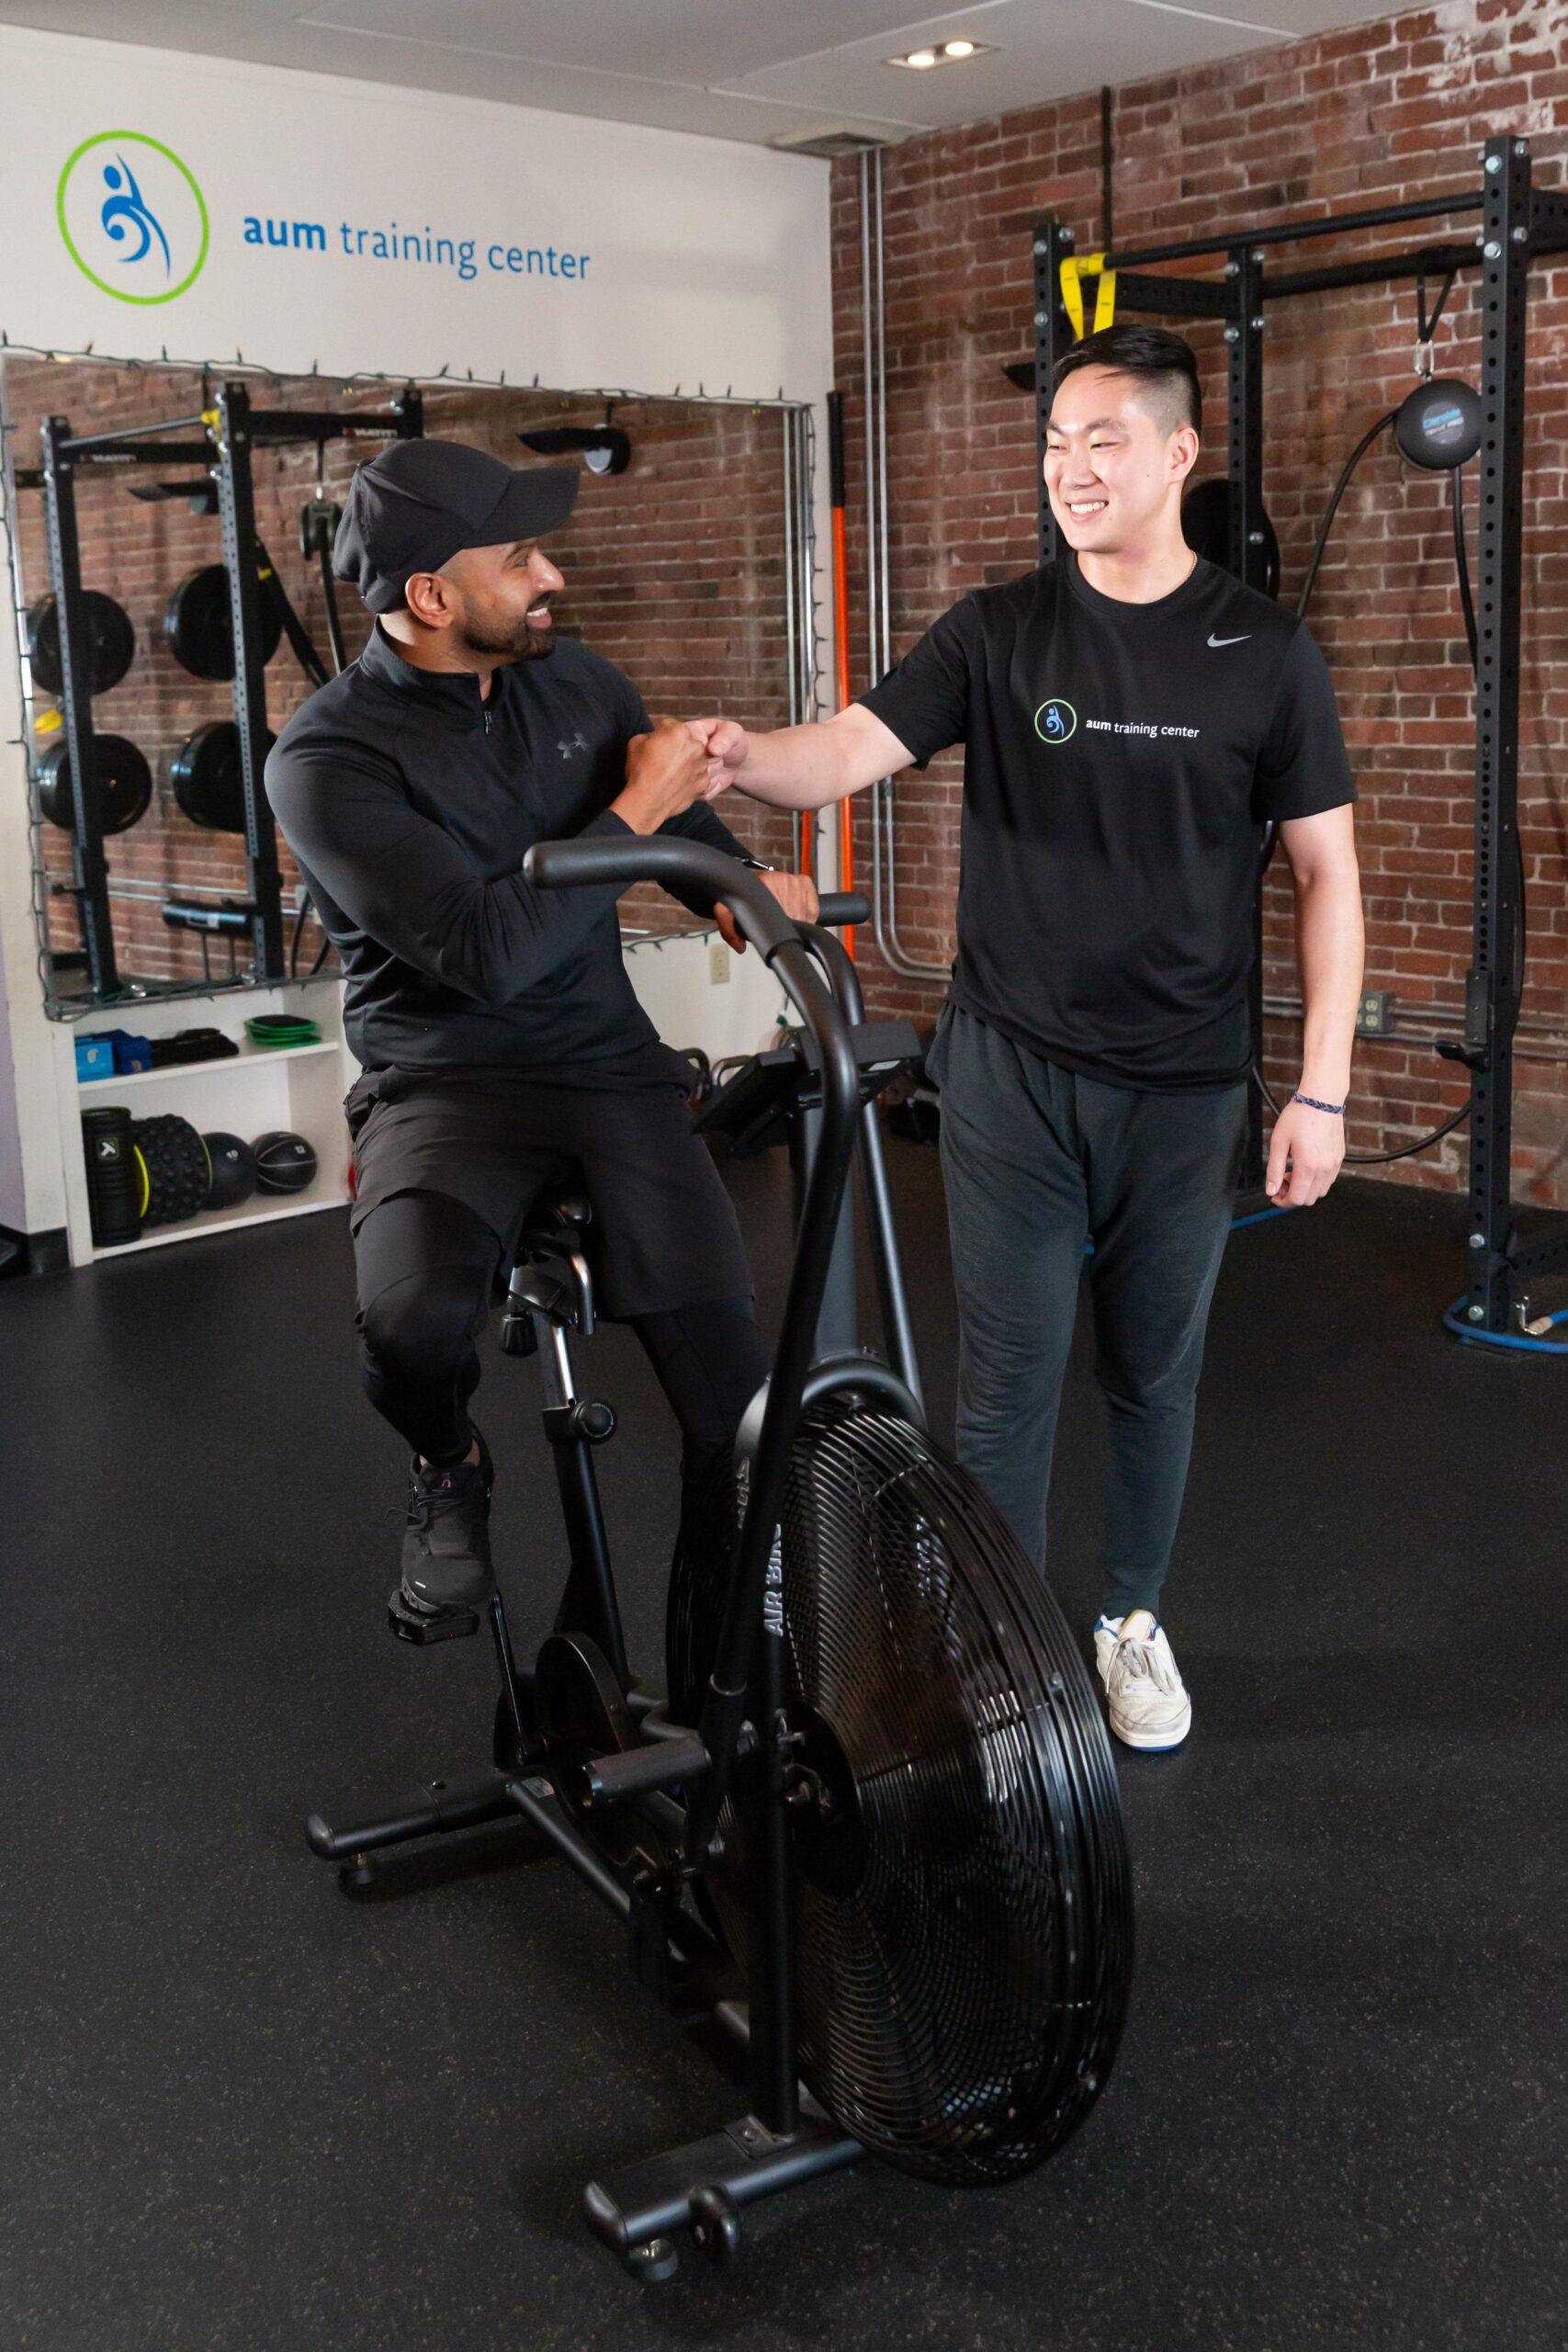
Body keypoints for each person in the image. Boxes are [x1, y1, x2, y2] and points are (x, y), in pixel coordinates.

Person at [690, 323, 1363, 1751]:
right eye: (1053, 444)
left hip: (1181, 1090)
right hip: (1008, 1070)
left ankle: (1124, 1619)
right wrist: (745, 758)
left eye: (1100, 439)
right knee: (1005, 1375)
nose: (1069, 469)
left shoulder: (1265, 654)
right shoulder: (996, 632)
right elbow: (845, 751)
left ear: (1176, 454)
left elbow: (1325, 878)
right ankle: (987, 1649)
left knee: (1148, 1373)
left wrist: (1321, 1092)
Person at [265, 437, 816, 1620]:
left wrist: (753, 892)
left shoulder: (580, 687)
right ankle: (450, 1465)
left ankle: (726, 1679)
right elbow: (487, 953)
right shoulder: (325, 759)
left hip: (608, 1071)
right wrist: (640, 804)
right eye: (519, 557)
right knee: (410, 1330)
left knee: (737, 1403)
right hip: (444, 1084)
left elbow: (692, 859)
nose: (549, 573)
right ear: (431, 596)